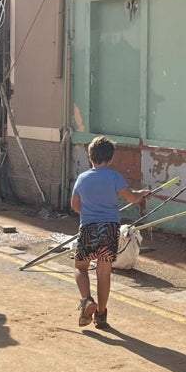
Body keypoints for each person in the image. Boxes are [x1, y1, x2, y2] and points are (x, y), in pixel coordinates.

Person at [70, 136, 151, 329]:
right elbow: (131, 198)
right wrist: (142, 194)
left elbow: (74, 206)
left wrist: (89, 212)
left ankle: (86, 300)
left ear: (90, 156)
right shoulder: (114, 177)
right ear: (111, 157)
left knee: (81, 267)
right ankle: (101, 315)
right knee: (104, 273)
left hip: (88, 227)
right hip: (109, 229)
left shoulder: (82, 178)